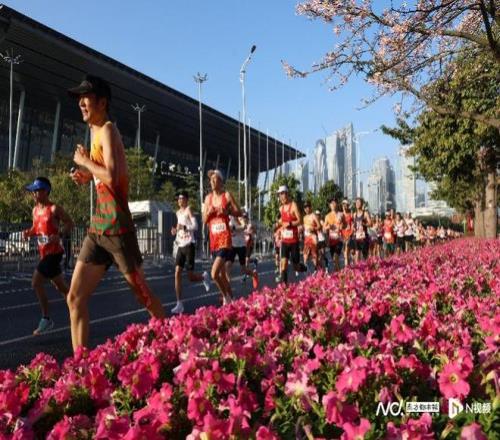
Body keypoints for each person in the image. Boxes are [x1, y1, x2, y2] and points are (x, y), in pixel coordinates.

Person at [68, 74, 165, 351]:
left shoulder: (108, 129)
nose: (81, 103)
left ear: (102, 102)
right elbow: (111, 174)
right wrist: (87, 174)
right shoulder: (94, 131)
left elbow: (112, 176)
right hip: (98, 228)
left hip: (118, 227)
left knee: (142, 294)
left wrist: (85, 161)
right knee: (74, 297)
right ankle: (80, 364)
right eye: (79, 99)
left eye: (86, 98)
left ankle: (174, 340)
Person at [23, 177, 74, 335]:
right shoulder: (35, 210)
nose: (33, 194)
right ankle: (76, 307)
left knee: (36, 282)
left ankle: (46, 318)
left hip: (54, 253)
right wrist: (28, 233)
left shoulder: (54, 209)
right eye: (33, 191)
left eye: (36, 190)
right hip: (43, 253)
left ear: (46, 191)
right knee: (61, 287)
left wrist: (59, 234)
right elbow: (36, 227)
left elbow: (70, 223)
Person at [203, 169, 241, 305]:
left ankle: (226, 298)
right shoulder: (208, 199)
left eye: (215, 179)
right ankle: (232, 300)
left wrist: (227, 211)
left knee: (214, 274)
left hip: (225, 240)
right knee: (222, 275)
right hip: (214, 240)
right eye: (211, 180)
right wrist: (209, 213)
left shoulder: (227, 195)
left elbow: (239, 212)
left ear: (221, 181)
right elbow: (204, 220)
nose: (212, 182)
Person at [170, 191, 210, 314]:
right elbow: (179, 226)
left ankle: (204, 277)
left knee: (191, 277)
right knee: (177, 272)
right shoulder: (178, 213)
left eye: (182, 198)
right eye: (178, 198)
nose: (179, 200)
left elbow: (196, 226)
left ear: (186, 200)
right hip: (180, 245)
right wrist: (175, 231)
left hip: (189, 245)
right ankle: (179, 303)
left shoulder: (189, 210)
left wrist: (184, 227)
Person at [277, 185, 306, 284]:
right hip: (284, 241)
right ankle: (284, 286)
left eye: (283, 194)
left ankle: (304, 268)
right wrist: (279, 227)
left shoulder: (293, 205)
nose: (281, 197)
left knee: (296, 267)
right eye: (280, 195)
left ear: (287, 194)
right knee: (283, 264)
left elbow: (300, 220)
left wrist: (290, 224)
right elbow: (282, 222)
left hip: (294, 241)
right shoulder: (280, 208)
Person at [225, 213, 259, 290]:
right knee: (227, 266)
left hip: (241, 246)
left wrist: (233, 228)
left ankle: (254, 274)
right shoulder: (228, 218)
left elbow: (243, 227)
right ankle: (227, 290)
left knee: (243, 270)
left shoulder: (240, 218)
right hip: (232, 245)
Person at [324, 198, 343, 272]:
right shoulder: (327, 216)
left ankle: (340, 275)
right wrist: (328, 227)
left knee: (335, 258)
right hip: (331, 240)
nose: (333, 205)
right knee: (334, 261)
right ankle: (338, 274)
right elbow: (324, 228)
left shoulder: (341, 214)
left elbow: (345, 225)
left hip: (339, 240)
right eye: (332, 203)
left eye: (334, 203)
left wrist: (342, 226)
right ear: (330, 205)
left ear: (337, 204)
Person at [302, 201, 321, 271]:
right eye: (305, 207)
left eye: (308, 207)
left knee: (314, 256)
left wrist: (313, 229)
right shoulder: (304, 218)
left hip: (313, 238)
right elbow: (305, 228)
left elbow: (319, 226)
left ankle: (318, 270)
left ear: (310, 207)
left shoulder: (313, 216)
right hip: (307, 238)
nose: (306, 209)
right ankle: (308, 271)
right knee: (305, 255)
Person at [353, 198, 371, 263]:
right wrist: (354, 228)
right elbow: (354, 224)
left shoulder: (365, 213)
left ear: (362, 204)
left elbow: (370, 223)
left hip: (364, 237)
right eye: (356, 203)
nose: (357, 204)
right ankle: (357, 268)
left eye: (359, 202)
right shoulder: (354, 214)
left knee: (365, 256)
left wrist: (364, 224)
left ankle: (366, 268)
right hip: (357, 237)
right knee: (357, 253)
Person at [341, 199, 353, 266]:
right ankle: (349, 265)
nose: (345, 206)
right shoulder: (340, 214)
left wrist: (351, 233)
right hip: (342, 235)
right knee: (345, 254)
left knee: (346, 253)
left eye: (346, 205)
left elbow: (352, 225)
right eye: (343, 205)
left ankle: (347, 268)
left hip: (349, 235)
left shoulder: (350, 214)